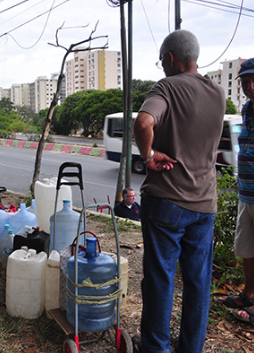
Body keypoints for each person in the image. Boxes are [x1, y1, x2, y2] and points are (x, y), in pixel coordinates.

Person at [133, 30, 225, 353]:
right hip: (205, 205)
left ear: (170, 59)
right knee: (198, 283)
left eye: (162, 62)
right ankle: (191, 348)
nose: (162, 68)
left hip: (167, 202)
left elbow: (144, 123)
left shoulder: (167, 87)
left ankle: (156, 348)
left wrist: (148, 156)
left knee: (161, 279)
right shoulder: (218, 93)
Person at [219, 58, 254, 323]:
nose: (250, 86)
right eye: (244, 82)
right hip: (245, 192)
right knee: (245, 248)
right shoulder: (247, 110)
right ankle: (248, 293)